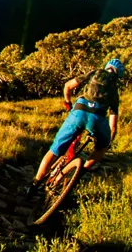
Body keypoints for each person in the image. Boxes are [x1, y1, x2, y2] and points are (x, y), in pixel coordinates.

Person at [24, 58, 124, 196]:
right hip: (97, 118)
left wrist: (67, 102)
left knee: (54, 150)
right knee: (101, 147)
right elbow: (113, 126)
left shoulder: (93, 73)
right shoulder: (115, 91)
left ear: (106, 67)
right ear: (118, 75)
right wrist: (108, 142)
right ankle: (81, 170)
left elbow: (68, 86)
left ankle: (34, 185)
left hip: (78, 111)